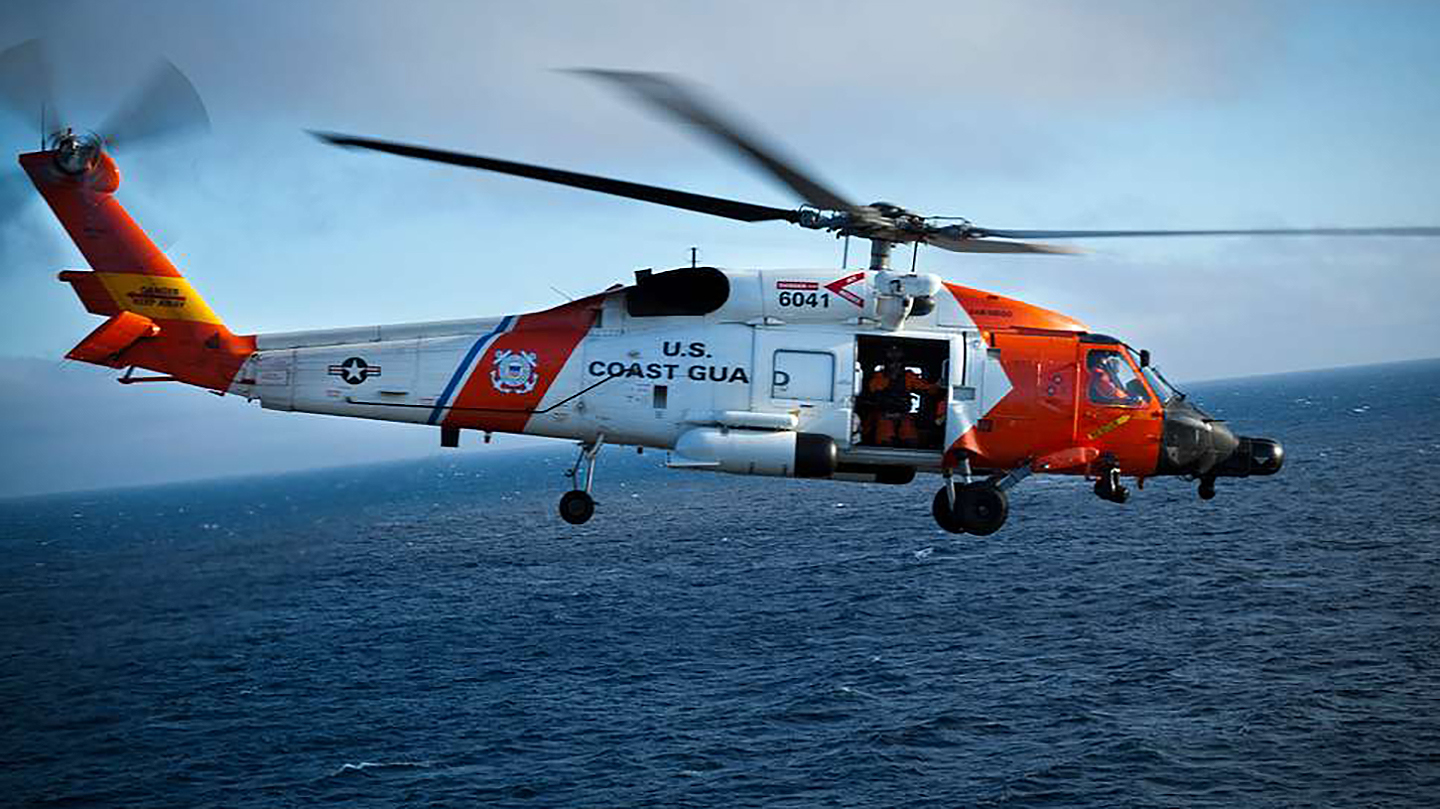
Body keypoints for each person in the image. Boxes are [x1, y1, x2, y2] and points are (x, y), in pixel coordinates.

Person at [863, 345, 944, 447]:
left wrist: (937, 385)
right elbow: (873, 394)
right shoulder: (878, 377)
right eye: (891, 362)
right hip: (884, 415)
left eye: (898, 362)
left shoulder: (909, 376)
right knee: (885, 441)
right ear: (886, 364)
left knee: (911, 440)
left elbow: (926, 389)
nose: (895, 365)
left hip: (904, 414)